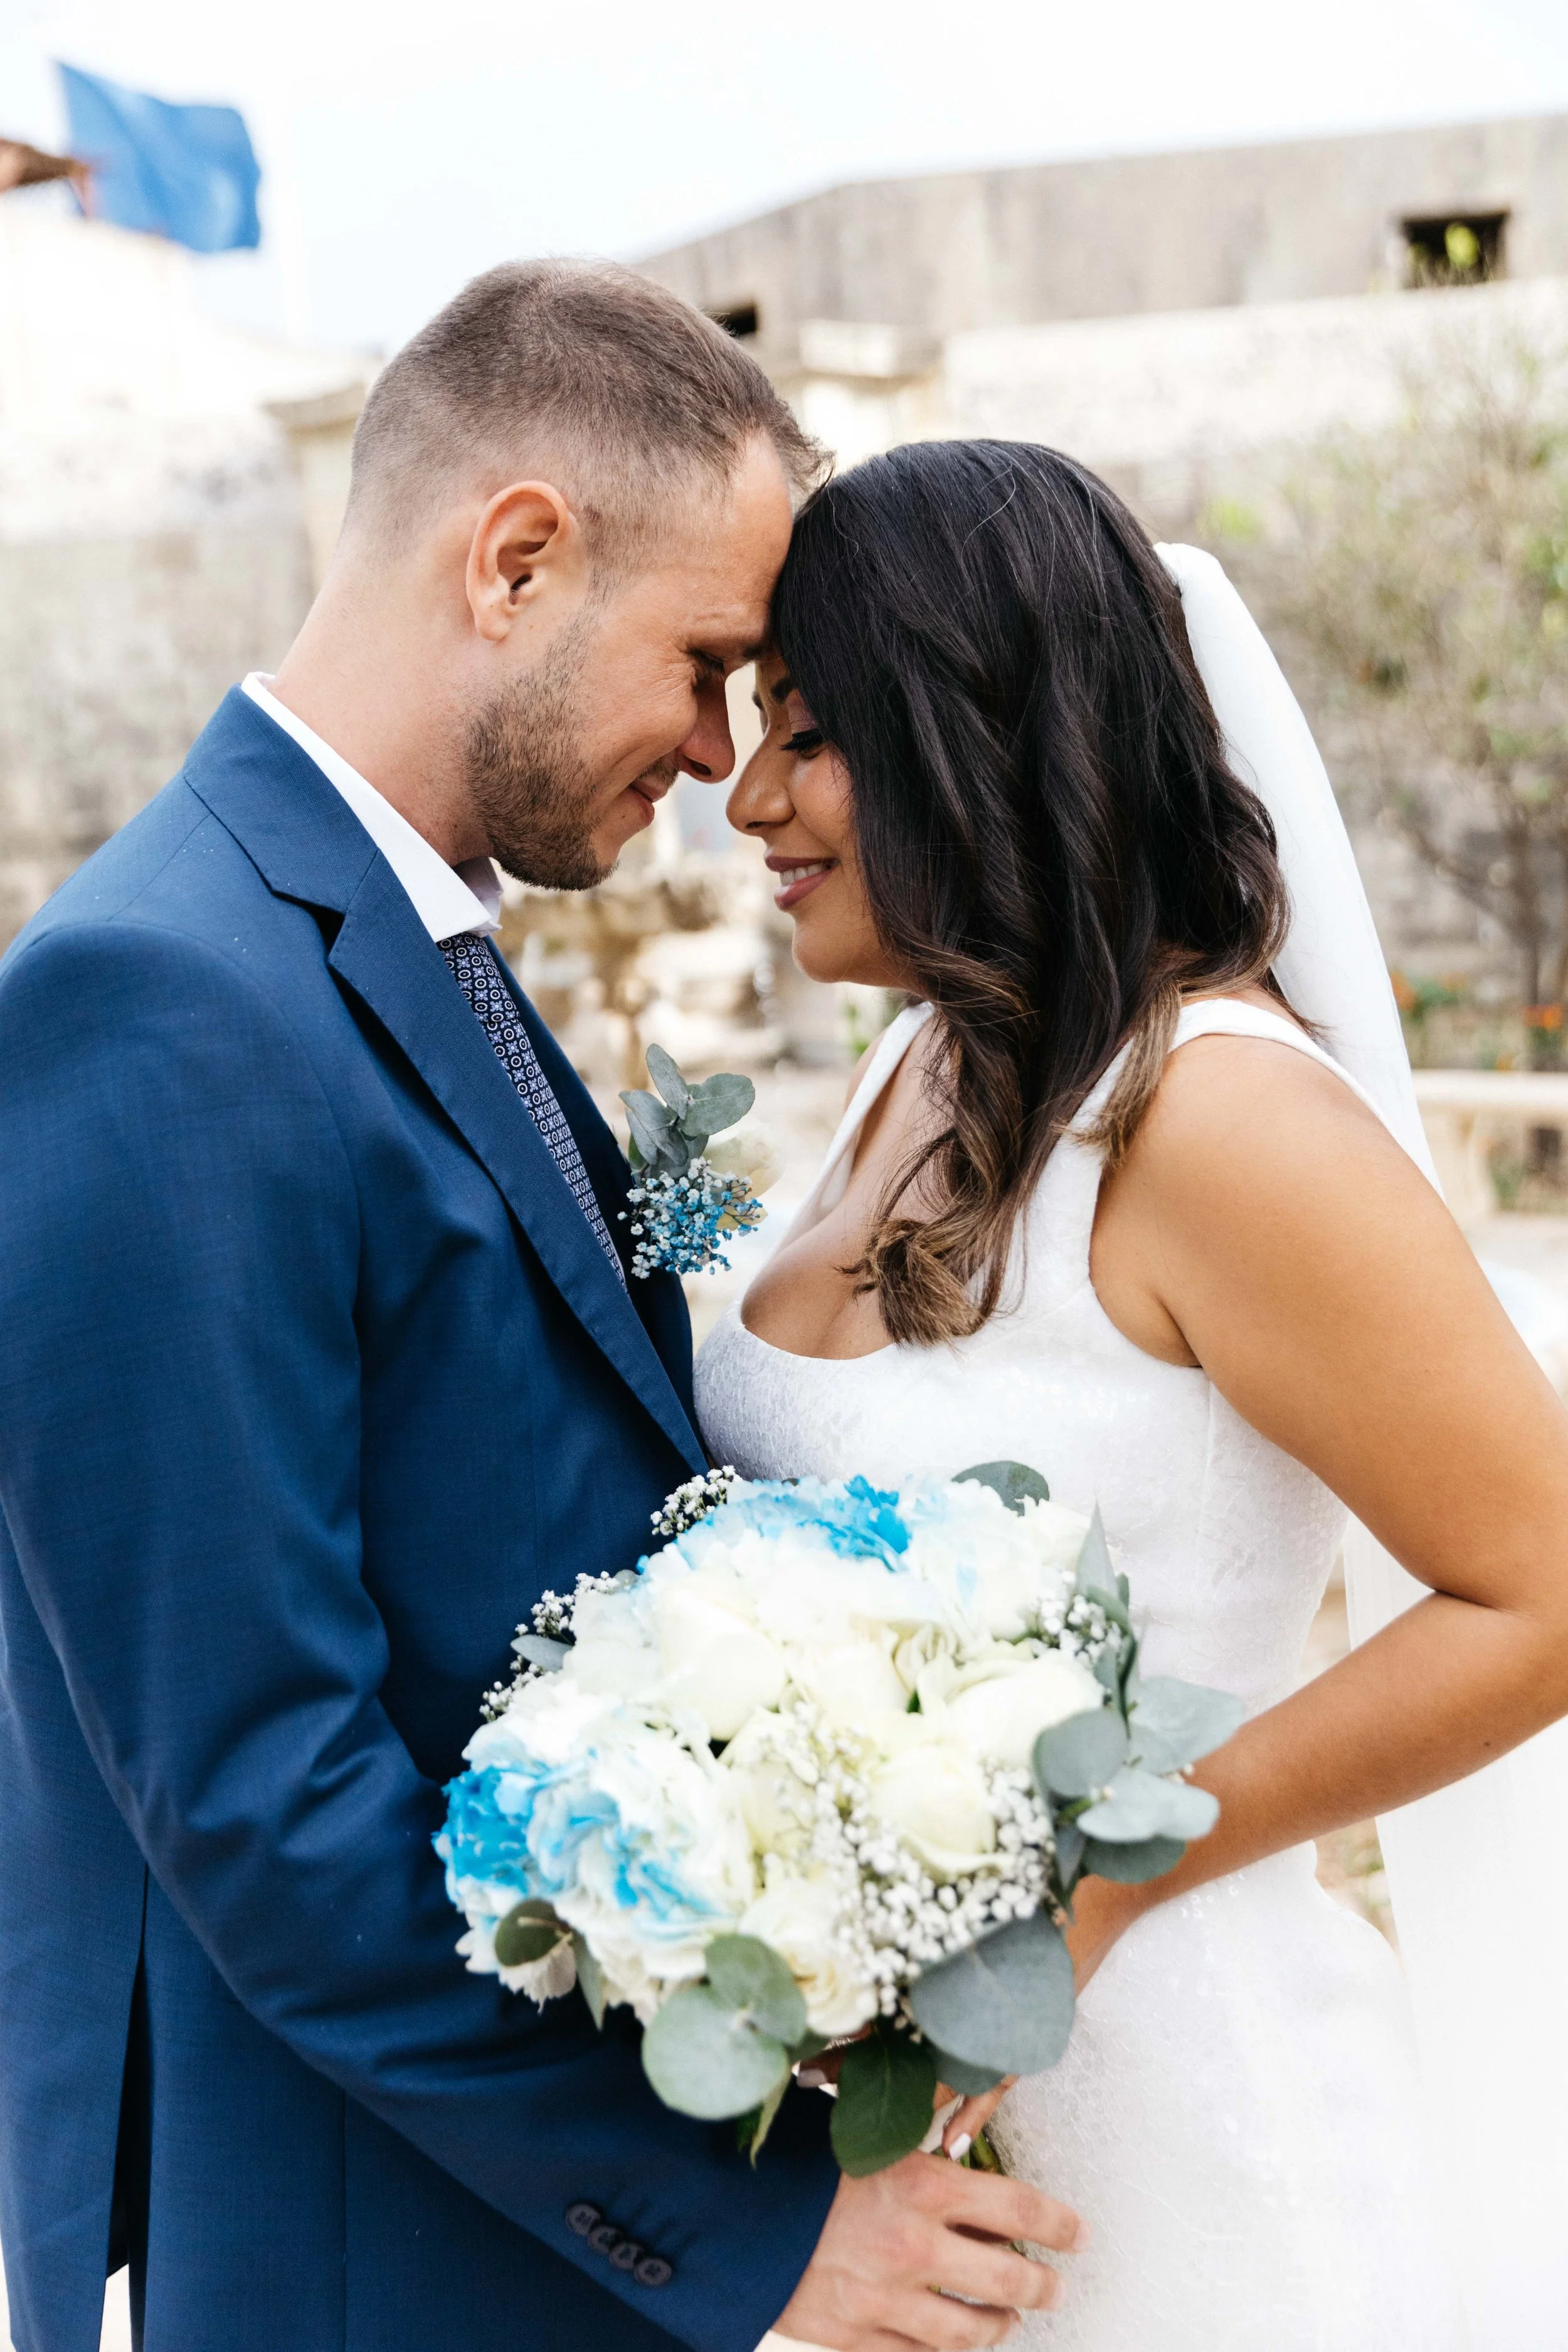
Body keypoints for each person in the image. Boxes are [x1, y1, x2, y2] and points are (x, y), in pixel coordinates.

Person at [0, 271, 1083, 2352]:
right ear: (514, 558)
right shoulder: (156, 997)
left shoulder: (409, 940)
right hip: (343, 2239)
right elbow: (258, 1785)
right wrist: (747, 2231)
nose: (716, 751)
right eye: (704, 667)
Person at [707, 438, 1568, 2351]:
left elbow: (1543, 1588)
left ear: (971, 724)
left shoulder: (1218, 1119)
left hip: (1187, 2151)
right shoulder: (916, 1061)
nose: (746, 795)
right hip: (899, 2174)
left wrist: (1094, 1880)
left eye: (809, 729)